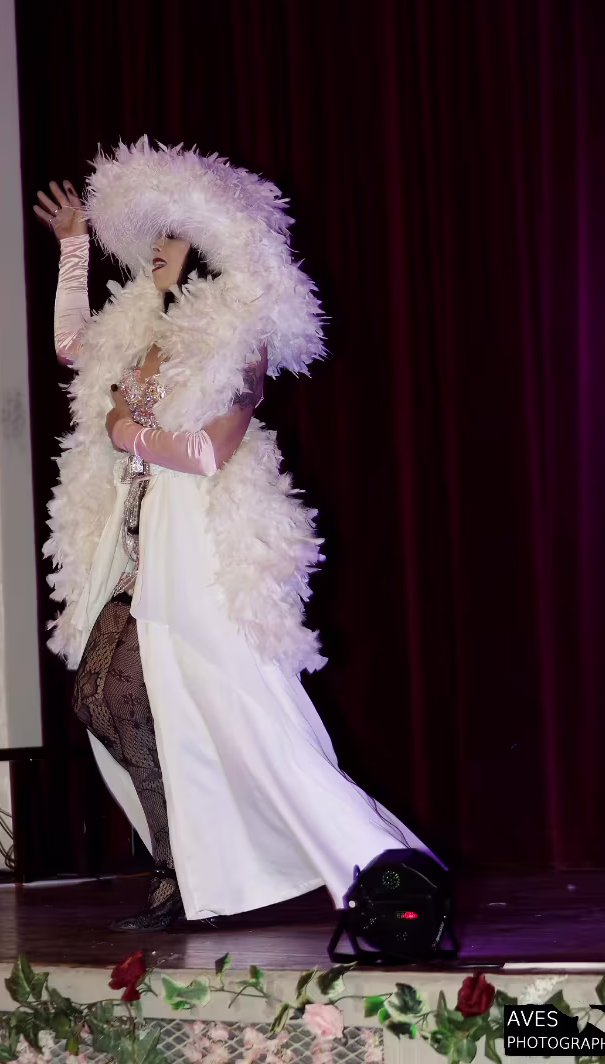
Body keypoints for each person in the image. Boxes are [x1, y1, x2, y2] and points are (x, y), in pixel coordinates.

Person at [33, 137, 440, 932]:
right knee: (98, 698)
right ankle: (178, 861)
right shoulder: (143, 333)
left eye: (175, 235)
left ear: (209, 251)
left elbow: (209, 451)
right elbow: (73, 346)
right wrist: (74, 249)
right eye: (155, 236)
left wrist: (127, 432)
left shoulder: (238, 338)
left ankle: (375, 864)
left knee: (241, 713)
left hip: (197, 550)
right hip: (136, 541)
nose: (159, 248)